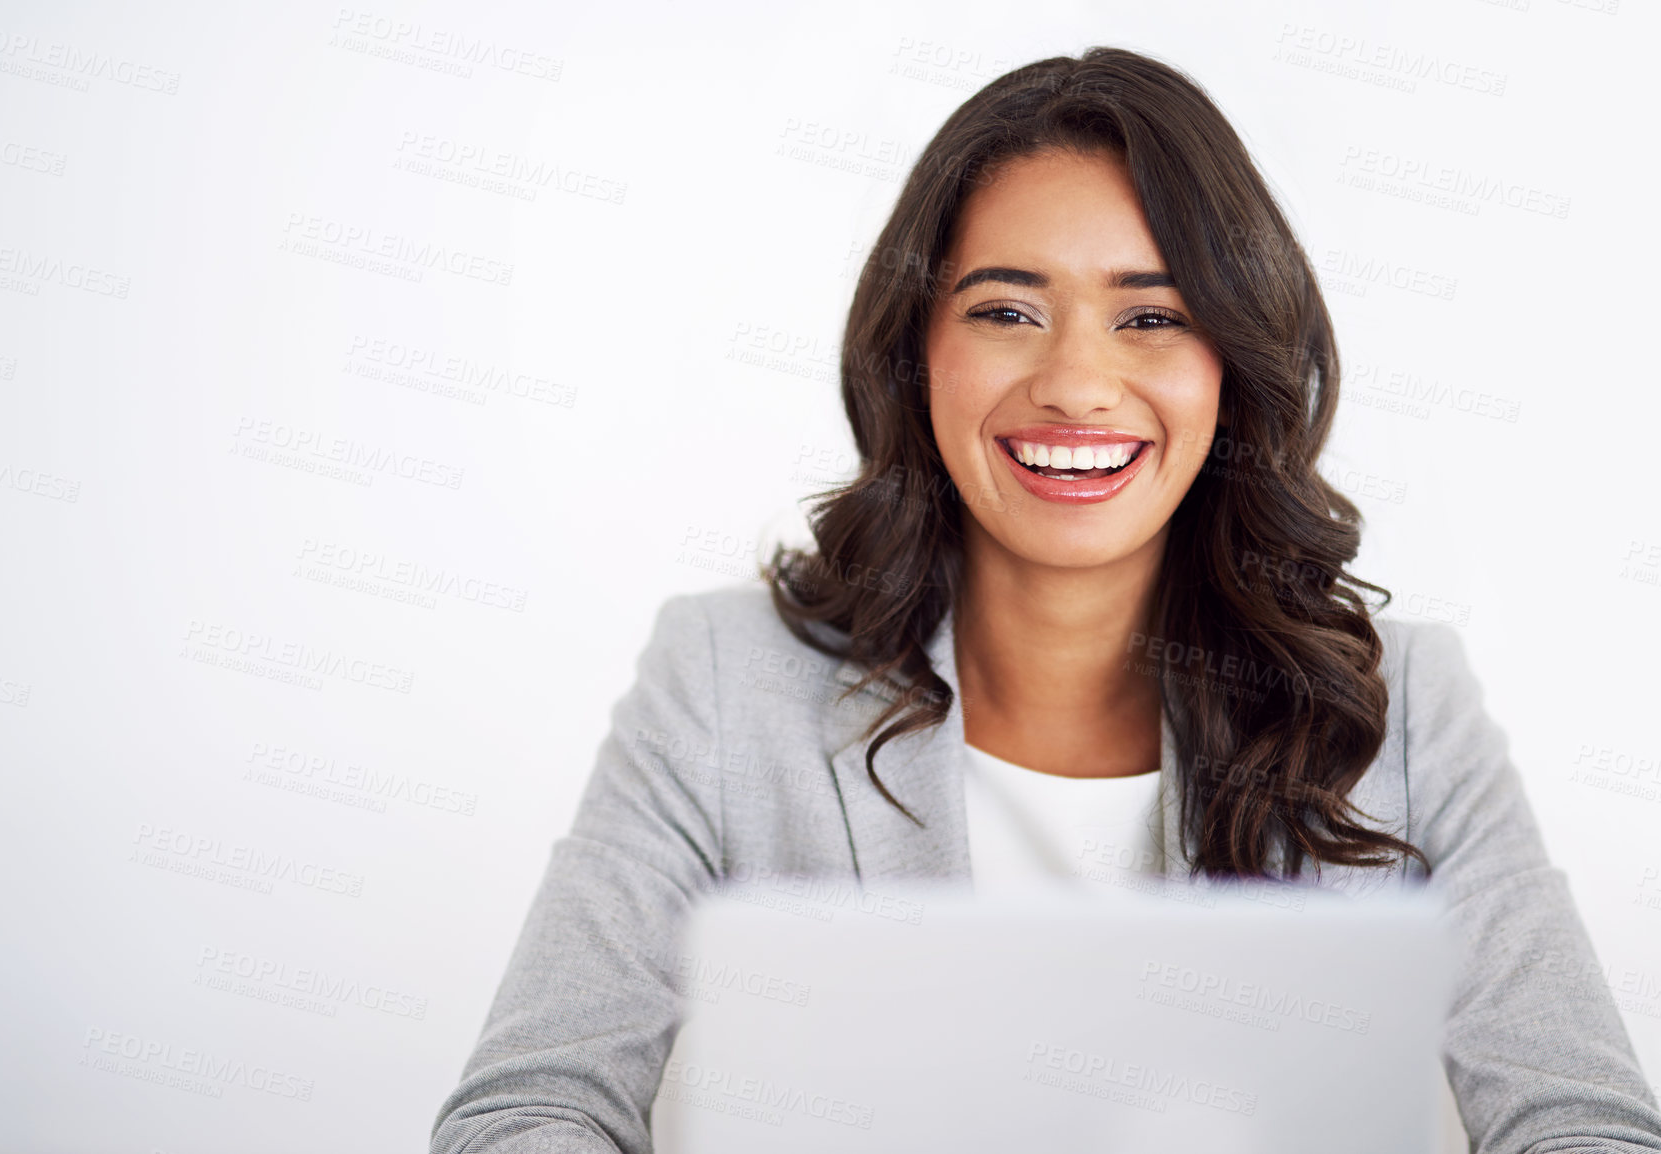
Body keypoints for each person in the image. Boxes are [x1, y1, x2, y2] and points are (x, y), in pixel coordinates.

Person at [430, 47, 1661, 1153]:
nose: (1077, 383)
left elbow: (1581, 1121)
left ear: (1234, 366)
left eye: (1151, 316)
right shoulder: (721, 677)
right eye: (1006, 310)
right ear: (915, 354)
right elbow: (527, 1106)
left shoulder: (1407, 709)